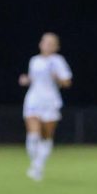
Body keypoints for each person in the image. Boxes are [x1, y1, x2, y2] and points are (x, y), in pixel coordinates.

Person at [18, 33, 72, 181]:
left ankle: (38, 167)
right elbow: (34, 79)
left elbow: (67, 82)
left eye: (51, 43)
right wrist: (26, 80)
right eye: (44, 42)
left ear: (56, 47)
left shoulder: (58, 61)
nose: (47, 45)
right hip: (33, 100)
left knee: (46, 137)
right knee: (33, 135)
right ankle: (35, 164)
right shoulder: (34, 61)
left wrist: (59, 78)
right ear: (40, 44)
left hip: (50, 102)